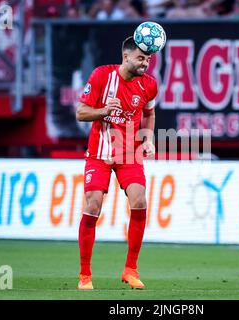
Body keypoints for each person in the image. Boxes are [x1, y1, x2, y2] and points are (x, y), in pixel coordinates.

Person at [75, 36, 158, 290]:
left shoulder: (149, 85)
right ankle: (85, 275)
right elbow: (80, 112)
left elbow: (150, 112)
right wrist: (103, 111)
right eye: (141, 58)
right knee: (93, 205)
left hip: (129, 153)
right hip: (99, 153)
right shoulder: (102, 75)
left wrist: (149, 138)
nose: (145, 63)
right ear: (126, 57)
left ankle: (130, 270)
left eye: (148, 59)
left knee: (140, 200)